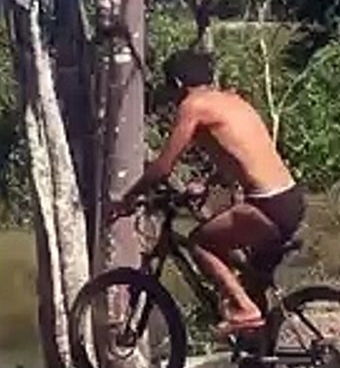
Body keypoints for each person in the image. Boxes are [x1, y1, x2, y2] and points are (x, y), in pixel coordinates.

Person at [114, 48, 305, 334]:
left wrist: (127, 200)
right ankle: (259, 351)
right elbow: (241, 153)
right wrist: (207, 183)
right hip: (290, 198)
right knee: (252, 281)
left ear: (178, 83)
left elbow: (162, 168)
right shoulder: (233, 101)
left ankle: (245, 310)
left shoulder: (194, 106)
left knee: (200, 243)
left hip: (267, 206)